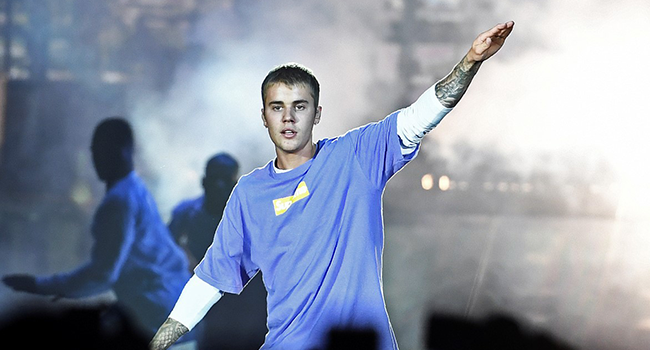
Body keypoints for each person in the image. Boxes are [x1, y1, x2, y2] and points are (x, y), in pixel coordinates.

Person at [150, 21, 515, 350]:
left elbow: (418, 118)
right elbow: (210, 281)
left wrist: (470, 61)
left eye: (300, 106)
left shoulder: (355, 156)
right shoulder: (249, 193)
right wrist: (158, 341)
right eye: (277, 107)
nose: (288, 117)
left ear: (318, 113)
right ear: (264, 117)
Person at [2, 118, 194, 346]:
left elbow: (103, 274)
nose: (97, 159)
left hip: (158, 317)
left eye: (103, 150)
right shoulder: (134, 187)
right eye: (95, 151)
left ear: (123, 151)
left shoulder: (120, 200)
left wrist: (40, 285)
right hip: (172, 312)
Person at [168, 153, 239, 270]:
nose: (219, 186)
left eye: (225, 179)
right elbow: (166, 247)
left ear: (235, 185)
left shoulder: (247, 218)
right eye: (214, 178)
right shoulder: (184, 213)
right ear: (204, 181)